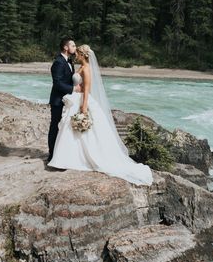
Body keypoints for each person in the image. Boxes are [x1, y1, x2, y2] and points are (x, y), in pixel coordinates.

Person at [48, 44, 153, 186]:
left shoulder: (87, 69)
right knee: (70, 129)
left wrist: (84, 107)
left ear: (83, 55)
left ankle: (81, 157)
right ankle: (70, 156)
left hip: (83, 102)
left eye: (78, 53)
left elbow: (86, 90)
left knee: (84, 131)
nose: (76, 55)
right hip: (75, 99)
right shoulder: (78, 66)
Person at [47, 36, 82, 163]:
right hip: (58, 101)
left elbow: (69, 79)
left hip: (68, 100)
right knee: (55, 127)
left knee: (65, 128)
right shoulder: (58, 62)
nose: (75, 47)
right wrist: (74, 89)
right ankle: (51, 155)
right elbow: (57, 83)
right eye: (73, 45)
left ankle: (61, 154)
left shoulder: (69, 61)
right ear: (65, 47)